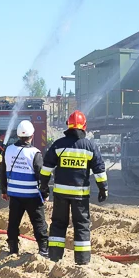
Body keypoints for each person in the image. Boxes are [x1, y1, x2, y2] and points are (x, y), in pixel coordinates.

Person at [40, 110, 107, 265]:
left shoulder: (58, 145)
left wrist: (44, 186)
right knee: (82, 225)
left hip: (61, 194)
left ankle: (55, 256)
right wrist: (103, 189)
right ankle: (82, 261)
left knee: (58, 224)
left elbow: (46, 168)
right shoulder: (90, 146)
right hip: (81, 195)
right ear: (84, 126)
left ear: (68, 126)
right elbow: (99, 169)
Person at [0, 120, 49, 257]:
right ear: (32, 135)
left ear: (18, 134)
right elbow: (42, 175)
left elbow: (2, 171)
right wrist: (45, 193)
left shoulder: (8, 150)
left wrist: (4, 190)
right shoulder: (35, 153)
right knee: (39, 223)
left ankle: (13, 249)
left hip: (14, 195)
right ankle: (43, 250)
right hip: (32, 195)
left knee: (13, 222)